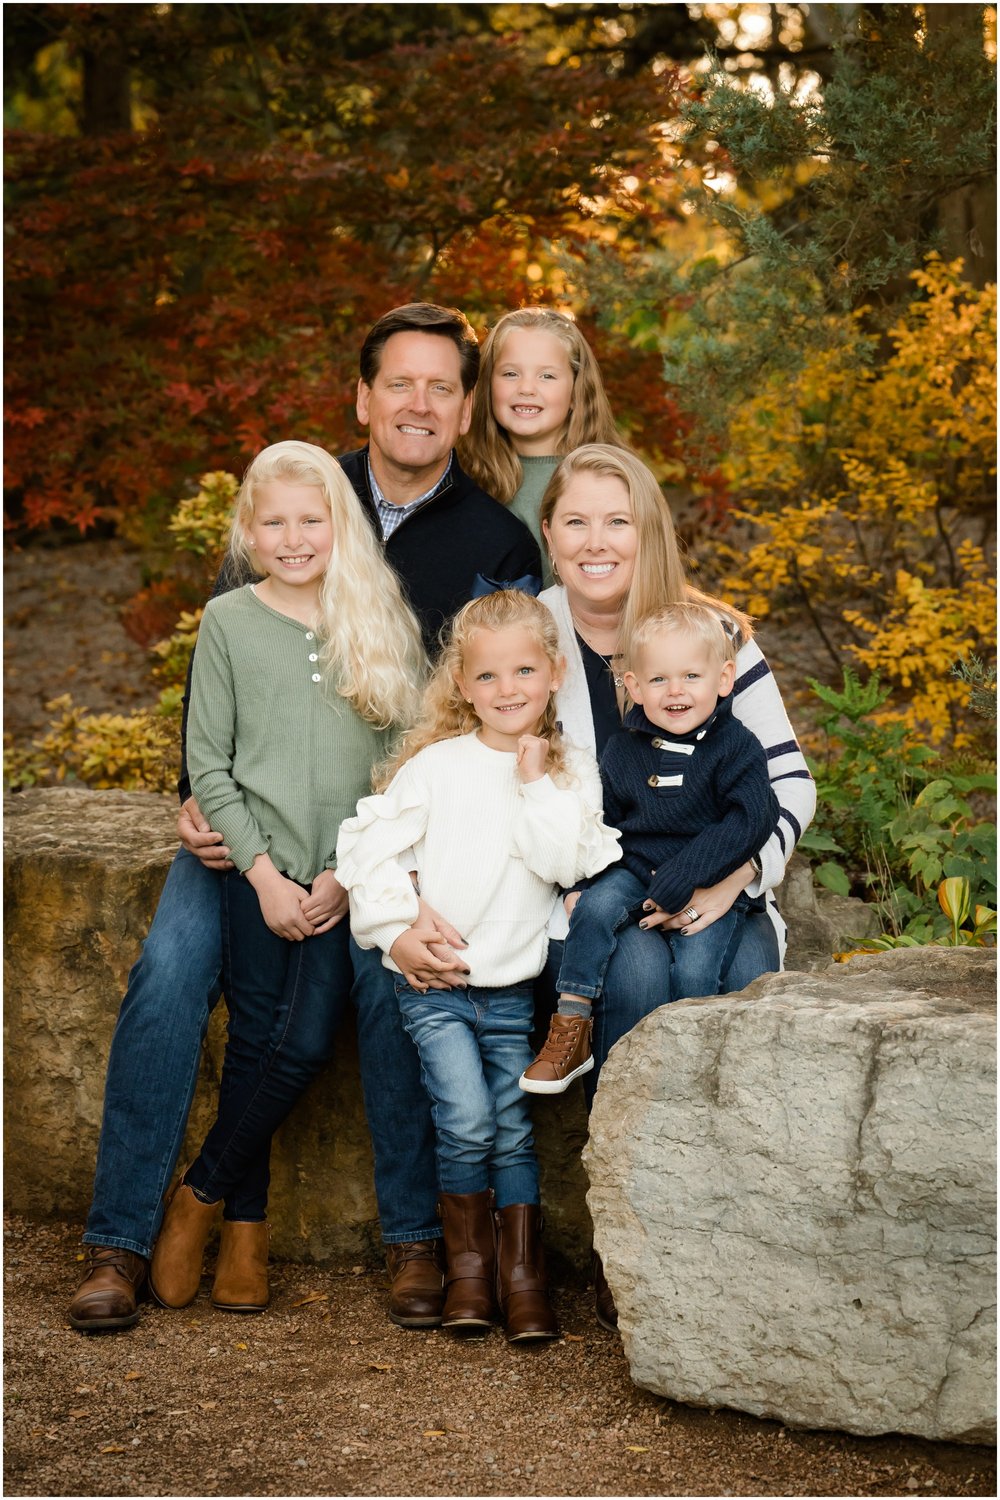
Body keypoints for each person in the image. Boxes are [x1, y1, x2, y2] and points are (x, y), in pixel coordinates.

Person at [68, 302, 541, 1333]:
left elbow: (496, 702)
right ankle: (118, 1241)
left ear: (465, 410)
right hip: (246, 837)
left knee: (394, 983)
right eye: (397, 383)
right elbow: (220, 696)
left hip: (384, 837)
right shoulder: (297, 496)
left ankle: (416, 1242)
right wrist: (200, 807)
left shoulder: (495, 540)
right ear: (362, 397)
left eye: (440, 387)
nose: (417, 403)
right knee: (166, 977)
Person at [533, 442, 815, 1327]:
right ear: (549, 534)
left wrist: (733, 882)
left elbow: (787, 785)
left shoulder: (712, 634)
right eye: (576, 520)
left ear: (649, 529)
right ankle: (644, 1261)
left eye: (617, 519)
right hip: (592, 905)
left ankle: (737, 1253)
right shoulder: (529, 632)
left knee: (704, 985)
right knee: (639, 978)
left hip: (715, 893)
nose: (596, 540)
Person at [147, 440, 425, 1313]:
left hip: (348, 875)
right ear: (249, 531)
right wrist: (263, 875)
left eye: (312, 520)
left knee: (300, 1042)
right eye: (275, 522)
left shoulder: (378, 623)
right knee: (259, 1038)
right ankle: (246, 1234)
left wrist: (345, 874)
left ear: (340, 526)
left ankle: (195, 1197)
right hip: (254, 869)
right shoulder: (229, 621)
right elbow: (210, 764)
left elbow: (397, 763)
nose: (295, 537)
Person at [335, 592, 621, 1342]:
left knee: (511, 1130)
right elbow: (364, 848)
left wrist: (533, 781)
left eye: (525, 670)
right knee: (464, 1120)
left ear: (555, 672)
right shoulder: (437, 766)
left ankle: (521, 1283)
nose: (508, 690)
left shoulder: (569, 772)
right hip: (434, 985)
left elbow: (570, 863)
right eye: (488, 676)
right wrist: (397, 924)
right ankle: (469, 1271)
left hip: (509, 991)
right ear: (462, 684)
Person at [520, 601, 780, 1095]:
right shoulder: (624, 749)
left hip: (710, 877)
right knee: (593, 908)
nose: (676, 691)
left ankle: (686, 1063)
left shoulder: (736, 745)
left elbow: (751, 820)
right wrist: (587, 881)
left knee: (699, 962)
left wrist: (682, 883)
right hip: (637, 868)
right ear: (635, 687)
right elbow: (611, 824)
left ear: (725, 679)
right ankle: (571, 1023)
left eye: (691, 676)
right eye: (659, 680)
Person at [460, 307, 625, 573]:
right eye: (510, 373)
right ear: (488, 384)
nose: (526, 388)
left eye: (547, 376)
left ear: (576, 392)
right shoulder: (466, 477)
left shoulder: (612, 481)